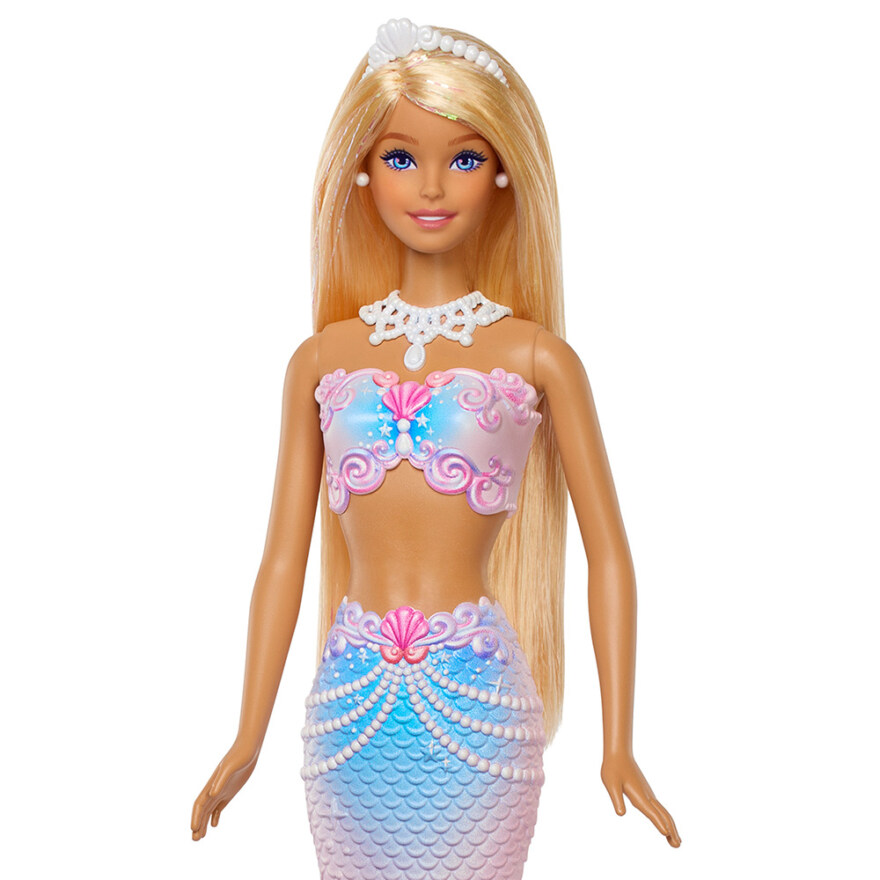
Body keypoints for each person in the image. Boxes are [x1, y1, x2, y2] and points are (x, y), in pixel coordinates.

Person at [191, 18, 680, 878]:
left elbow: (609, 553)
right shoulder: (321, 360)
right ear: (361, 169)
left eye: (463, 159)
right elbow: (282, 560)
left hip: (477, 709)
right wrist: (246, 737)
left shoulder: (537, 357)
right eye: (399, 156)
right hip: (350, 712)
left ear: (502, 172)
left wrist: (620, 743)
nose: (429, 186)